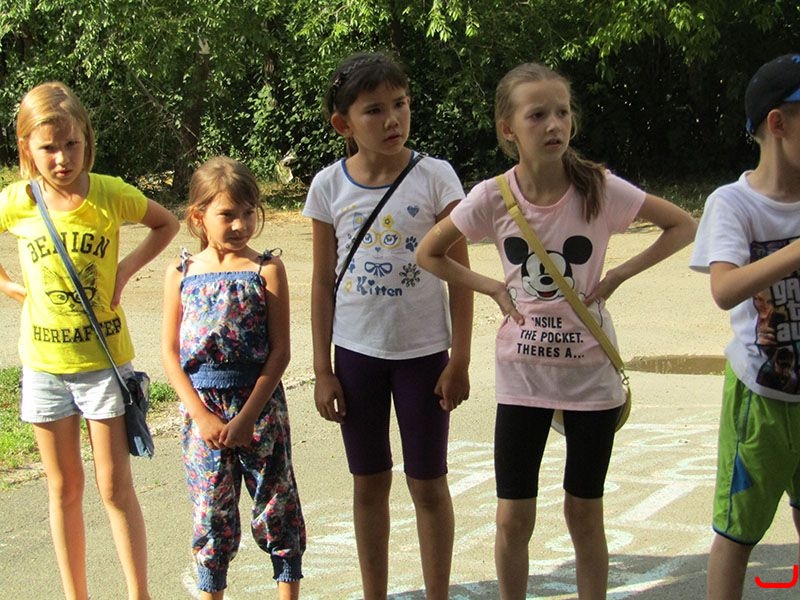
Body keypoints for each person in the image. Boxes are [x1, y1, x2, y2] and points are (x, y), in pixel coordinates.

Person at [417, 62, 696, 600]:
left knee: (583, 513)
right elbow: (430, 252)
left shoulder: (598, 189)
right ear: (508, 129)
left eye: (562, 113)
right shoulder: (493, 195)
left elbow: (682, 225)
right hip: (522, 377)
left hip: (590, 379)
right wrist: (492, 287)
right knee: (512, 518)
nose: (554, 125)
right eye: (537, 115)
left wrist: (617, 275)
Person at [302, 51, 473, 600]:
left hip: (425, 357)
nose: (392, 119)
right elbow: (322, 282)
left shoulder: (436, 177)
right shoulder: (328, 186)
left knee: (429, 484)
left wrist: (460, 359)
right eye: (374, 110)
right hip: (356, 358)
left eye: (400, 104)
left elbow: (461, 277)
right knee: (369, 483)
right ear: (343, 124)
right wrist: (322, 370)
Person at [0, 81, 179, 600]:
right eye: (48, 148)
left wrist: (124, 271)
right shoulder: (18, 201)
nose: (61, 158)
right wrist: (8, 285)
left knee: (114, 488)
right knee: (63, 489)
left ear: (86, 139)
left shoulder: (108, 193)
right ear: (26, 149)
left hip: (103, 366)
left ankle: (138, 593)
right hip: (45, 366)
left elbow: (165, 224)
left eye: (71, 144)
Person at [161, 156, 305, 600]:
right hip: (203, 413)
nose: (241, 224)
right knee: (211, 514)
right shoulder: (181, 273)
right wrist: (200, 415)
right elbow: (170, 354)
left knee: (276, 504)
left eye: (248, 212)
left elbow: (280, 350)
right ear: (198, 217)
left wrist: (248, 416)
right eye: (228, 214)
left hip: (260, 408)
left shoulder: (266, 269)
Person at [690, 53, 800, 600]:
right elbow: (725, 288)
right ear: (778, 123)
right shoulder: (733, 203)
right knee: (737, 534)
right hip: (762, 399)